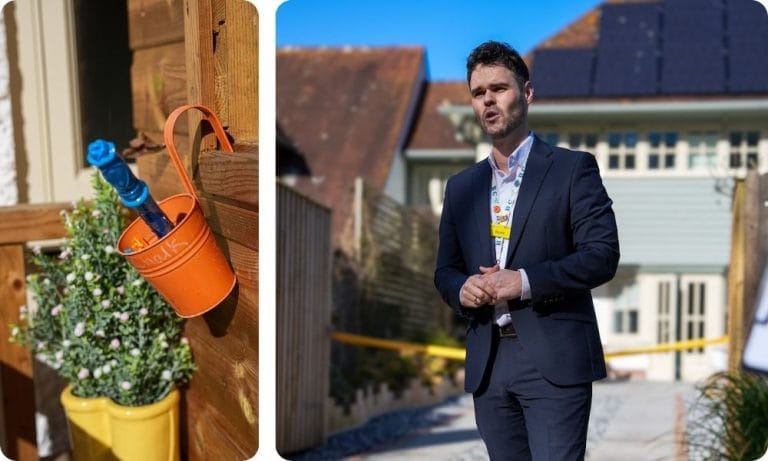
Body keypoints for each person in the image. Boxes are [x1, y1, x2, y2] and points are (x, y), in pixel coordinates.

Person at [434, 41, 620, 461]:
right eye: (478, 93)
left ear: (528, 92)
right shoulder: (461, 188)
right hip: (489, 361)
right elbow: (444, 271)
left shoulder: (573, 170)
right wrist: (461, 289)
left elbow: (602, 254)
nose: (488, 101)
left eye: (498, 88)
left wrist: (523, 282)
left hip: (553, 359)